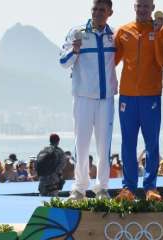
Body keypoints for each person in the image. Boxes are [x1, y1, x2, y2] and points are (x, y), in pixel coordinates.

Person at [60, 0, 117, 200]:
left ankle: (102, 187)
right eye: (95, 9)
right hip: (83, 97)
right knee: (81, 143)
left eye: (102, 10)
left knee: (104, 144)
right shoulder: (77, 33)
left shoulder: (114, 35)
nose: (98, 13)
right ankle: (80, 187)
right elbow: (63, 62)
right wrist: (74, 51)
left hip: (106, 98)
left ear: (110, 12)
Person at [114, 0, 163, 202]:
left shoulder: (162, 30)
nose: (143, 9)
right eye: (139, 5)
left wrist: (155, 34)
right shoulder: (123, 31)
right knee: (128, 143)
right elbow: (112, 61)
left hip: (151, 95)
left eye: (147, 6)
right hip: (127, 96)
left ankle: (150, 187)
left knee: (151, 143)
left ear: (153, 8)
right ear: (134, 7)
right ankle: (128, 187)